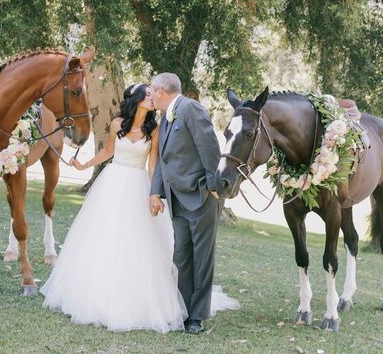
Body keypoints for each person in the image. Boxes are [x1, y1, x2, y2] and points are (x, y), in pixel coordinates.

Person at [40, 83, 187, 332]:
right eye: (148, 95)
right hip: (113, 183)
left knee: (138, 241)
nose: (153, 99)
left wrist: (155, 194)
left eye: (154, 95)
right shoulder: (118, 123)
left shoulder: (155, 129)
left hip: (138, 184)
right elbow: (108, 151)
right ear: (137, 98)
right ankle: (97, 295)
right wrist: (84, 165)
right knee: (105, 237)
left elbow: (152, 166)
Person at [150, 73, 238, 334]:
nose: (151, 96)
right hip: (177, 200)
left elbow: (210, 149)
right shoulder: (166, 118)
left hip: (200, 197)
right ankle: (181, 310)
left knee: (202, 259)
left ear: (162, 90)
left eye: (152, 91)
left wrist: (213, 187)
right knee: (181, 258)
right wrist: (156, 192)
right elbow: (163, 162)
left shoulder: (190, 109)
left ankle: (196, 317)